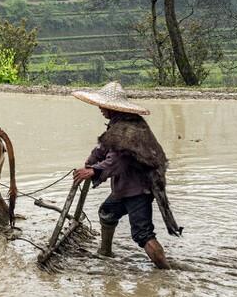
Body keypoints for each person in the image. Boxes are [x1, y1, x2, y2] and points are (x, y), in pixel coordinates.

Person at [71, 81, 180, 269]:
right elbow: (104, 147)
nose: (100, 108)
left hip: (138, 188)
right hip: (127, 187)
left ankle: (166, 272)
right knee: (107, 212)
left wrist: (94, 170)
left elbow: (117, 160)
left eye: (102, 105)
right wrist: (90, 162)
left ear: (110, 107)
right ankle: (105, 253)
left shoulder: (128, 129)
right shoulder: (120, 124)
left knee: (142, 234)